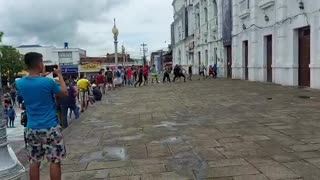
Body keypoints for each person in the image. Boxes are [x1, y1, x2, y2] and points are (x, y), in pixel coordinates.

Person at [16, 52, 68, 180]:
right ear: (40, 64)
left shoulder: (19, 83)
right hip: (50, 127)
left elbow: (33, 87)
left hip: (31, 128)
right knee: (54, 161)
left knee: (34, 161)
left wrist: (41, 76)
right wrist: (59, 75)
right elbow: (64, 93)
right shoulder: (48, 82)